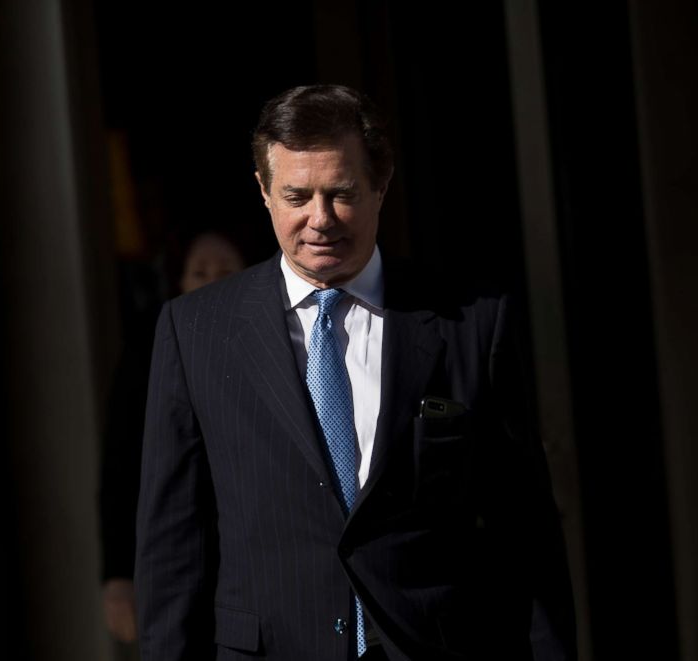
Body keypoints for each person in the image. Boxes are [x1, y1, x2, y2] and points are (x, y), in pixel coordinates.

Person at [134, 84, 576, 661]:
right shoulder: (194, 331)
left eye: (341, 193)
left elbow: (524, 531)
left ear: (380, 187)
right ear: (263, 190)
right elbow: (173, 546)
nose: (320, 220)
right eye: (296, 196)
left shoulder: (471, 322)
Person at [99, 230, 246, 646]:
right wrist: (116, 575)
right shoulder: (151, 352)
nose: (212, 284)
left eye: (226, 272)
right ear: (180, 284)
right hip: (181, 561)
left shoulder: (283, 347)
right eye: (199, 273)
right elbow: (121, 466)